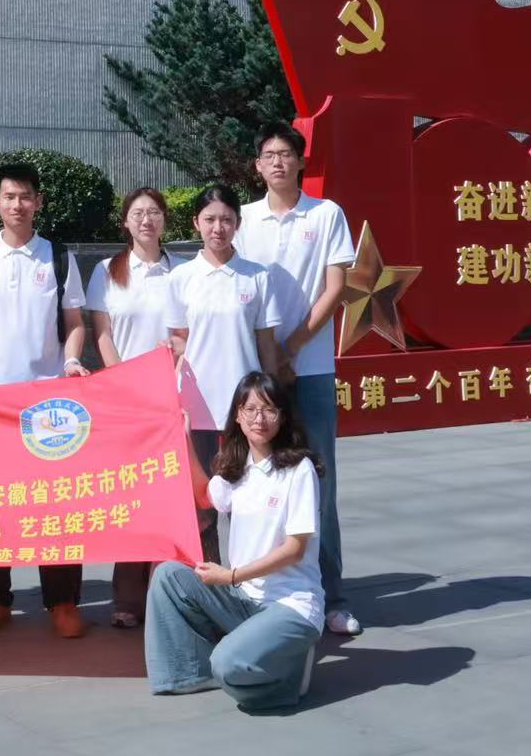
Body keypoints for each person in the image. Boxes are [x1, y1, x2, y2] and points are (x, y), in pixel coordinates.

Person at [0, 161, 91, 638]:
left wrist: (71, 362)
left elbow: (75, 322)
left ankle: (62, 601)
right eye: (10, 196)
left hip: (48, 408)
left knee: (55, 505)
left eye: (26, 196)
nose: (18, 204)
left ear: (38, 202)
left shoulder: (58, 256)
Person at [234, 123, 360, 636]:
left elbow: (336, 289)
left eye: (286, 153)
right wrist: (269, 357)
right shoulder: (243, 219)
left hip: (310, 369)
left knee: (318, 482)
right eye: (269, 155)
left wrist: (291, 348)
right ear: (257, 165)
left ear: (301, 161)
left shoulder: (326, 214)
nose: (278, 162)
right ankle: (252, 591)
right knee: (250, 483)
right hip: (256, 376)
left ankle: (333, 597)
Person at [145, 372, 325, 713]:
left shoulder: (299, 470)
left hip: (289, 604)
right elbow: (205, 495)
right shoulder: (238, 468)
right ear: (238, 417)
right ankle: (189, 675)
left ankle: (288, 677)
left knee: (228, 664)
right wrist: (183, 439)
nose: (260, 419)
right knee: (169, 576)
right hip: (244, 599)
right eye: (250, 409)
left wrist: (230, 576)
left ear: (282, 416)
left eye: (269, 409)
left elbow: (294, 550)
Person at [166, 184, 281, 562]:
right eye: (210, 219)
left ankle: (248, 580)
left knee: (246, 503)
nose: (218, 228)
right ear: (196, 223)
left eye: (227, 220)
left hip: (245, 412)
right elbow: (178, 339)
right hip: (196, 410)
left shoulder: (256, 276)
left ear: (238, 224)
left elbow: (266, 343)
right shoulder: (181, 277)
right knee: (202, 507)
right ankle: (208, 584)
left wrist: (274, 400)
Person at [85, 186, 180, 628]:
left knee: (169, 501)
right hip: (126, 401)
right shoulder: (107, 271)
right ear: (125, 221)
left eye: (154, 212)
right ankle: (126, 599)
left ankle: (168, 595)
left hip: (172, 400)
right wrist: (124, 383)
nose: (147, 220)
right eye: (138, 213)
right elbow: (102, 333)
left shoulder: (181, 271)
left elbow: (185, 334)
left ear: (164, 220)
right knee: (129, 498)